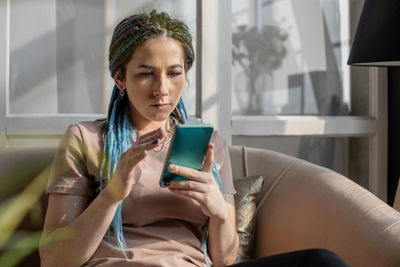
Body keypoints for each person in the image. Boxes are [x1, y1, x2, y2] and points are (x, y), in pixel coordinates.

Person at [39, 10, 351, 267]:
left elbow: (224, 259)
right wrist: (112, 194)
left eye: (174, 73)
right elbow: (54, 260)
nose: (162, 88)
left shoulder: (208, 143)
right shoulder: (86, 139)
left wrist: (218, 210)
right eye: (146, 73)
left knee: (323, 262)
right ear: (119, 77)